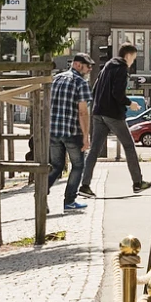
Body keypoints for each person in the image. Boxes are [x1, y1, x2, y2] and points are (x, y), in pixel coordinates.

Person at [88, 44, 151, 194]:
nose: (132, 63)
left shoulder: (107, 67)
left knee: (94, 150)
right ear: (128, 56)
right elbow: (117, 94)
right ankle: (137, 182)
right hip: (113, 114)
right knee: (129, 146)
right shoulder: (122, 68)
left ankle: (85, 185)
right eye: (133, 59)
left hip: (98, 112)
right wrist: (131, 104)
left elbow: (94, 90)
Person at [47, 56, 94, 212]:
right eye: (88, 66)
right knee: (79, 165)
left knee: (56, 166)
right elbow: (83, 112)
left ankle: (41, 193)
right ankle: (69, 201)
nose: (89, 70)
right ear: (78, 65)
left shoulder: (56, 78)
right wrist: (86, 137)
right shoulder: (80, 83)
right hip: (71, 132)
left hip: (53, 131)